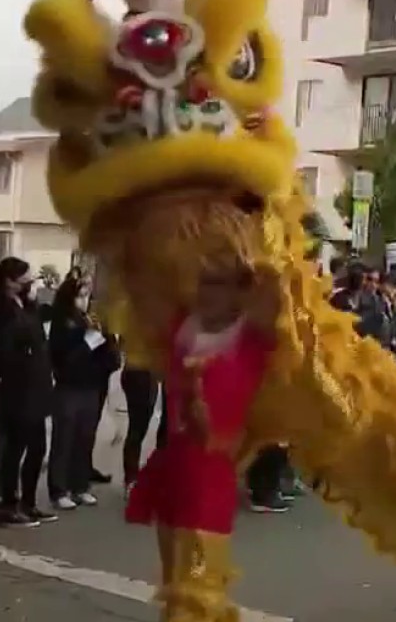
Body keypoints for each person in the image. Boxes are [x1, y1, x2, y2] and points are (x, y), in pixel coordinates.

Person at [124, 255, 275, 620]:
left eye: (219, 283)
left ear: (241, 291)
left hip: (210, 473)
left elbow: (216, 427)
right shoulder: (183, 327)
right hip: (175, 463)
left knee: (199, 586)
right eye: (204, 281)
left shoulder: (253, 341)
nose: (207, 291)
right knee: (175, 582)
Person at [0, 257, 57, 528]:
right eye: (25, 279)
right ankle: (9, 506)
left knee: (38, 446)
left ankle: (28, 503)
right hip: (15, 389)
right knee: (15, 448)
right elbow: (7, 350)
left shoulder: (26, 306)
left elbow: (43, 321)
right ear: (9, 281)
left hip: (36, 386)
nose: (30, 283)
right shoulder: (1, 309)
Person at [46, 275, 118, 510]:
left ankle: (80, 486)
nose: (85, 300)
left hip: (91, 387)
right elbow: (64, 359)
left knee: (84, 439)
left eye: (87, 294)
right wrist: (87, 342)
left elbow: (109, 358)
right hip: (69, 387)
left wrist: (106, 340)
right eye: (81, 294)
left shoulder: (90, 319)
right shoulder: (62, 321)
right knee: (64, 440)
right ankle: (59, 490)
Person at [119, 363, 166, 496]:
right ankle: (131, 480)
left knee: (166, 430)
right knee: (138, 427)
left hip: (160, 375)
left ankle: (159, 477)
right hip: (140, 374)